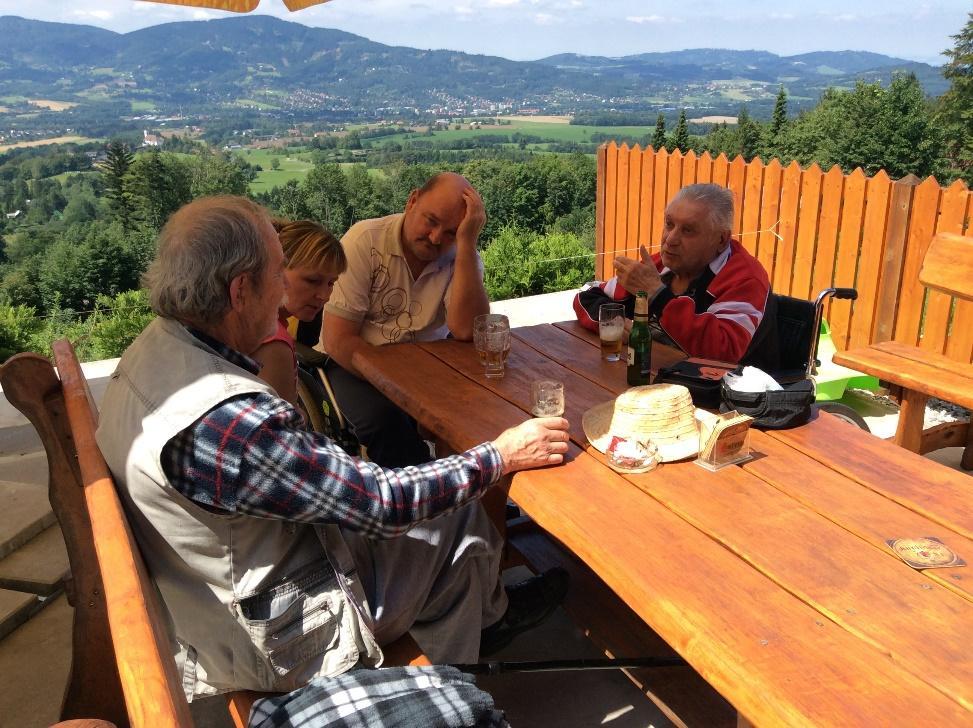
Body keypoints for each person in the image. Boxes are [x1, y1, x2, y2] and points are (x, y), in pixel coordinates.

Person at [95, 196, 570, 705]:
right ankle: (444, 697)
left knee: (443, 514)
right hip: (275, 636)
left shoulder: (156, 347)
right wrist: (500, 454)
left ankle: (472, 632)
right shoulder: (230, 422)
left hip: (205, 595)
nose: (284, 288)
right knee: (460, 523)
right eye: (280, 274)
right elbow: (384, 503)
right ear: (240, 290)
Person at [320, 172, 491, 468]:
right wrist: (399, 386)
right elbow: (339, 340)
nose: (437, 238)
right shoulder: (365, 241)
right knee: (385, 421)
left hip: (425, 365)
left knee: (476, 409)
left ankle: (476, 494)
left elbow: (467, 330)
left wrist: (466, 244)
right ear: (412, 200)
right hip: (354, 363)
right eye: (431, 221)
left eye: (451, 232)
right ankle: (426, 498)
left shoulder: (462, 256)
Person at [574, 183, 779, 370]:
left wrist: (656, 294)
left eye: (688, 231)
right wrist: (612, 323)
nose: (670, 240)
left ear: (721, 240)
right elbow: (587, 297)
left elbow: (723, 353)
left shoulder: (744, 277)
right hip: (651, 375)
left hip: (721, 399)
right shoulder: (663, 265)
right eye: (669, 224)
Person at [252, 219, 346, 409]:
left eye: (331, 283)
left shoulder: (254, 322)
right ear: (275, 267)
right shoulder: (274, 344)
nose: (324, 296)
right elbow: (280, 432)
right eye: (312, 280)